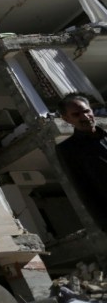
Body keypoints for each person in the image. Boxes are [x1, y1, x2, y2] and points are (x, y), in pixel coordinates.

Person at [56, 94, 107, 230]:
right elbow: (83, 189)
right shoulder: (68, 149)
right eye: (76, 114)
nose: (84, 117)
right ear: (66, 119)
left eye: (86, 111)